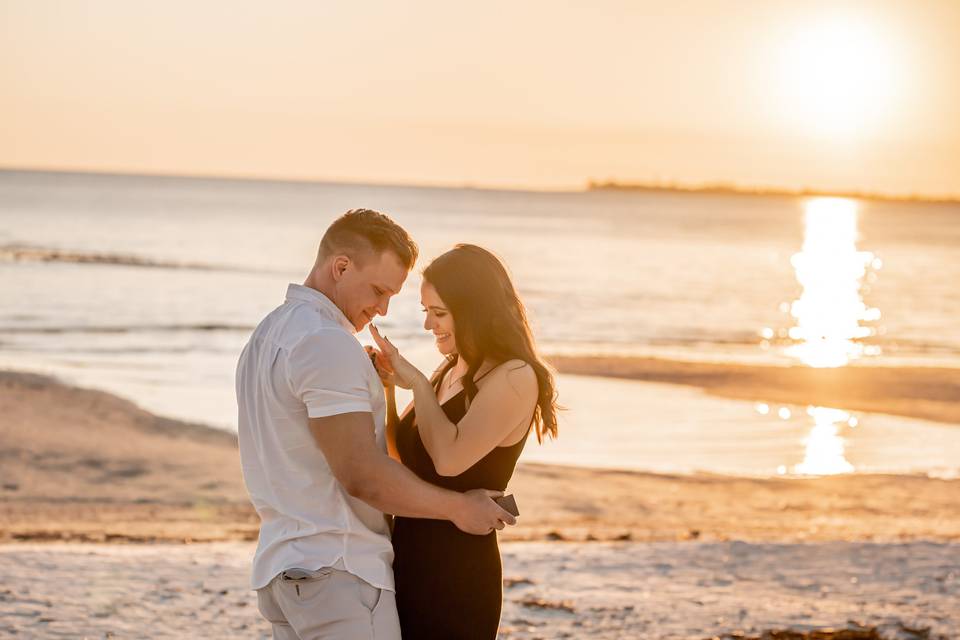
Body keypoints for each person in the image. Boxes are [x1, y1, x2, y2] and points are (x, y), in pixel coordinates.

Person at [236, 211, 517, 640]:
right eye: (379, 290)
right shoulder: (326, 341)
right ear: (342, 266)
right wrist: (460, 509)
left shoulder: (268, 334)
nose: (383, 308)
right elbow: (362, 475)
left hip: (284, 572)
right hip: (338, 574)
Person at [369, 243, 559, 640]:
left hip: (456, 575)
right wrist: (388, 389)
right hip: (407, 560)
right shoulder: (452, 368)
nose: (428, 326)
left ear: (473, 310)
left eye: (439, 314)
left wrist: (417, 382)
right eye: (426, 312)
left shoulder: (513, 376)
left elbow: (449, 461)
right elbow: (399, 461)